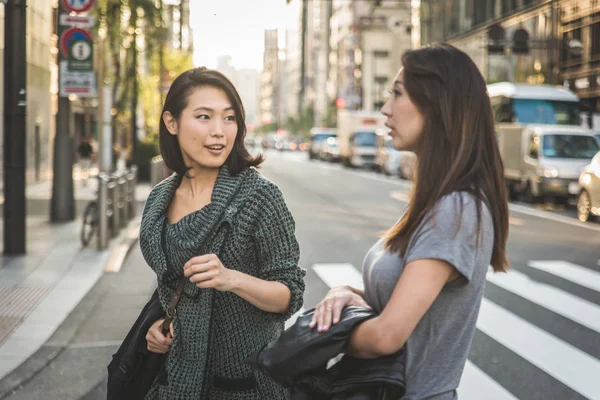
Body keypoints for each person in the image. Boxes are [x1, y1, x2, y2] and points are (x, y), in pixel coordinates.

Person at [309, 44, 510, 399]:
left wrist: (315, 339)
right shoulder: (438, 201)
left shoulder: (457, 210)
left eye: (397, 94)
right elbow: (393, 302)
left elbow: (387, 336)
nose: (385, 108)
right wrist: (345, 293)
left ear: (437, 104)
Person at [139, 67, 306, 399]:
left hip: (246, 387)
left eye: (229, 119)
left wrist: (232, 279)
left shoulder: (259, 197)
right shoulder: (159, 198)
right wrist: (158, 328)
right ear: (172, 123)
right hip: (176, 383)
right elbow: (170, 289)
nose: (219, 132)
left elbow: (291, 292)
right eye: (204, 117)